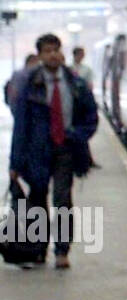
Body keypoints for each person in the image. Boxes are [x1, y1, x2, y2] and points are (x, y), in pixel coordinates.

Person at [7, 34, 98, 269]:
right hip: (36, 151)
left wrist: (76, 135)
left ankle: (61, 250)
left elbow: (91, 117)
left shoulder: (74, 83)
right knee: (38, 200)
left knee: (63, 199)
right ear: (39, 55)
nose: (53, 55)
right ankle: (38, 250)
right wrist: (15, 164)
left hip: (65, 149)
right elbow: (21, 126)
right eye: (47, 51)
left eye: (56, 50)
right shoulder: (28, 84)